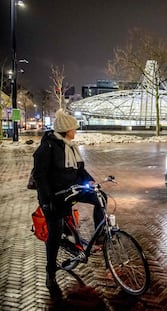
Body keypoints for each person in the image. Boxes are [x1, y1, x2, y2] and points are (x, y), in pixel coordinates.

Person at [33, 109, 106, 296]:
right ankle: (50, 272)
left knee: (101, 197)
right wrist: (47, 200)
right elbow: (40, 176)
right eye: (74, 127)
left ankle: (100, 235)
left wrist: (90, 182)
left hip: (72, 190)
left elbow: (80, 171)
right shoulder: (47, 148)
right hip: (53, 196)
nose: (76, 130)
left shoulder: (71, 147)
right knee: (55, 235)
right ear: (66, 129)